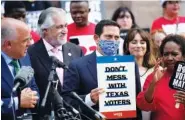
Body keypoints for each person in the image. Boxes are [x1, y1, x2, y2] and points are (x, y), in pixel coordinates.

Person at [63, 20, 142, 120]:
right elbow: (66, 100)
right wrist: (89, 99)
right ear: (96, 38)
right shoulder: (77, 66)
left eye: (116, 37)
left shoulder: (129, 64)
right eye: (108, 36)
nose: (113, 41)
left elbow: (137, 101)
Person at [28, 7, 83, 119]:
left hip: (75, 115)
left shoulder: (76, 50)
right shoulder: (30, 54)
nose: (65, 30)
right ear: (45, 30)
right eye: (59, 27)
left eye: (65, 26)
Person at [137, 34, 185, 120]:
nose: (170, 58)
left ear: (183, 56)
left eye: (174, 54)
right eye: (166, 54)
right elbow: (144, 106)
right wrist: (153, 84)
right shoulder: (154, 76)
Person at [1, 18, 39, 120]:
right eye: (25, 40)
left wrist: (32, 98)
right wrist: (18, 102)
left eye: (30, 38)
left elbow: (34, 88)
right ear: (8, 44)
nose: (30, 43)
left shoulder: (24, 56)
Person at [123, 28, 156, 120]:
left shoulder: (156, 71)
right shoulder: (119, 70)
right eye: (134, 42)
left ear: (147, 46)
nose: (138, 45)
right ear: (127, 45)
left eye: (142, 42)